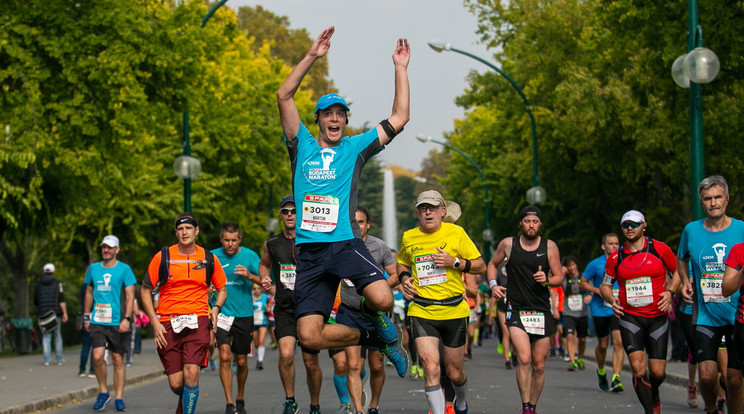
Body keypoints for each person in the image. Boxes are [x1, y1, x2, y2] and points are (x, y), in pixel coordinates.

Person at [276, 26, 410, 375]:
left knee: (383, 299)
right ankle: (375, 338)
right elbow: (283, 96)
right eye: (327, 113)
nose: (334, 119)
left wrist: (400, 68)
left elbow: (400, 118)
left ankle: (373, 319)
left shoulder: (354, 148)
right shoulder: (300, 145)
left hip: (344, 243)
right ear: (318, 119)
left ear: (345, 120)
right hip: (309, 253)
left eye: (340, 114)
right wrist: (311, 56)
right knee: (310, 337)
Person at [397, 190, 486, 414]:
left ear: (442, 211)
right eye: (423, 208)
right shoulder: (409, 237)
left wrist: (454, 262)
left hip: (454, 310)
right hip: (422, 309)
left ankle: (461, 402)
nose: (428, 212)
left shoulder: (456, 233)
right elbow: (402, 262)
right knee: (430, 366)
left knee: (455, 372)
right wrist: (404, 278)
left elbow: (480, 265)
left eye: (433, 208)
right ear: (417, 213)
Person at [140, 213, 228, 414]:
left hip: (198, 320)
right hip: (167, 323)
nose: (184, 232)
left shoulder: (208, 258)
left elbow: (222, 289)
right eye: (180, 229)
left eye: (189, 228)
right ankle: (184, 402)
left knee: (191, 373)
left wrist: (215, 309)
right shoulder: (163, 257)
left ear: (196, 231)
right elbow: (145, 290)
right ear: (176, 232)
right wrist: (154, 322)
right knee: (177, 383)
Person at [676, 175, 744, 414]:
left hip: (737, 316)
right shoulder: (691, 231)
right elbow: (681, 259)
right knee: (706, 376)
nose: (713, 203)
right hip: (705, 315)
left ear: (727, 199)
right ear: (701, 202)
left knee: (734, 380)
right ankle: (712, 409)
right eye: (707, 199)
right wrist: (684, 281)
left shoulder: (741, 229)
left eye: (717, 197)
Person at [487, 206, 563, 414]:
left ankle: (532, 406)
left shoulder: (550, 247)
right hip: (516, 309)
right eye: (527, 221)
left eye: (535, 222)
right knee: (524, 359)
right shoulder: (509, 244)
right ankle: (525, 407)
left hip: (541, 311)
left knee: (538, 365)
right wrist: (493, 285)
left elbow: (559, 277)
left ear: (540, 224)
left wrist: (547, 280)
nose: (531, 225)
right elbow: (492, 265)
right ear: (521, 223)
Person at [600, 210, 676, 414]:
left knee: (658, 373)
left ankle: (654, 393)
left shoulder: (660, 249)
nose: (630, 228)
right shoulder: (616, 257)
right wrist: (611, 299)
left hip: (657, 317)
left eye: (634, 224)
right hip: (630, 317)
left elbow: (678, 271)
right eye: (625, 225)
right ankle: (649, 411)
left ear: (644, 225)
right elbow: (605, 286)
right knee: (636, 367)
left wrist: (670, 293)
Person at [259, 195, 324, 414]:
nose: (289, 215)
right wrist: (265, 277)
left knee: (310, 361)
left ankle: (314, 405)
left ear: (300, 214)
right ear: (280, 215)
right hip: (285, 308)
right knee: (285, 354)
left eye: (293, 211)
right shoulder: (273, 243)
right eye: (285, 211)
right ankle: (290, 400)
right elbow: (263, 264)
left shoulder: (313, 240)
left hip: (308, 308)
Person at [336, 206, 398, 414]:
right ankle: (359, 411)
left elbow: (395, 274)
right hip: (349, 312)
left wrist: (379, 291)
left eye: (361, 222)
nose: (357, 226)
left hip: (375, 315)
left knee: (377, 365)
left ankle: (373, 405)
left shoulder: (379, 247)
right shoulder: (339, 246)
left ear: (368, 224)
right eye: (353, 222)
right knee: (353, 366)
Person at [210, 222, 261, 414]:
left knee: (240, 360)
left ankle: (240, 396)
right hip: (221, 313)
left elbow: (265, 281)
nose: (229, 244)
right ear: (221, 239)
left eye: (233, 240)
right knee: (224, 356)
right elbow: (203, 280)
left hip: (244, 315)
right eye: (226, 240)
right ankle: (229, 403)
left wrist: (249, 275)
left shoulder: (249, 256)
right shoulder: (213, 256)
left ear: (239, 239)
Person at [83, 235, 137, 412]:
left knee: (117, 359)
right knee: (97, 357)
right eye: (104, 247)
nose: (106, 250)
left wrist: (127, 318)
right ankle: (103, 392)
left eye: (110, 247)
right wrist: (85, 316)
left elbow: (130, 296)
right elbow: (89, 293)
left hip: (117, 321)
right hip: (97, 319)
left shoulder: (125, 270)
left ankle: (119, 397)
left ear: (117, 250)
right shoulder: (93, 269)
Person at [579, 233, 625, 392]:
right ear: (603, 246)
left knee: (619, 341)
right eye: (610, 243)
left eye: (616, 243)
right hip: (600, 309)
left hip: (618, 307)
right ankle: (601, 370)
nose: (614, 246)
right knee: (603, 345)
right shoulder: (595, 264)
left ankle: (616, 377)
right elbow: (582, 282)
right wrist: (597, 290)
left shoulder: (623, 261)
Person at [34, 262, 68, 367]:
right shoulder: (57, 283)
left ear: (44, 272)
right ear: (53, 272)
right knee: (57, 335)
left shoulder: (38, 285)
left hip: (43, 313)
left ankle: (47, 360)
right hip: (55, 313)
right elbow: (61, 299)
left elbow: (35, 300)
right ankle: (59, 359)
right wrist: (65, 313)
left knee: (46, 336)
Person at [561, 256, 588, 371]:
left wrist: (590, 296)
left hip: (582, 312)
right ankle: (572, 361)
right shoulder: (564, 279)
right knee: (570, 336)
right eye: (568, 266)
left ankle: (580, 358)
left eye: (573, 265)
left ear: (576, 265)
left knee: (582, 339)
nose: (571, 268)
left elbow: (591, 288)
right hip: (568, 312)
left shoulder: (584, 277)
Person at [252, 283, 271, 371]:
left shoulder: (265, 297)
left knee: (261, 341)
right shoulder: (250, 298)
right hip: (253, 323)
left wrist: (268, 308)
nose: (257, 290)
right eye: (255, 288)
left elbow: (269, 305)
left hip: (262, 321)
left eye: (259, 288)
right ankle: (258, 358)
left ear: (261, 289)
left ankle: (260, 361)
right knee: (256, 343)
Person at [78, 280, 95, 378]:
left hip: (86, 315)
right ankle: (92, 370)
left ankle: (82, 369)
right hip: (97, 315)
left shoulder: (83, 286)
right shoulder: (98, 285)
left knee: (85, 345)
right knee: (94, 345)